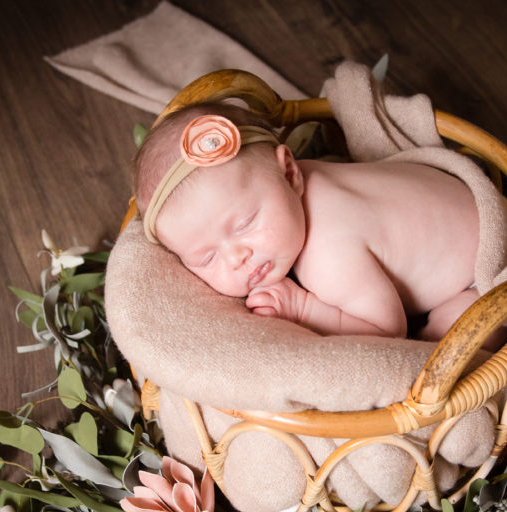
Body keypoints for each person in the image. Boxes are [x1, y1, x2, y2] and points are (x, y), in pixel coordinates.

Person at [133, 103, 481, 340]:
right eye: (206, 258)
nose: (237, 257)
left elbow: (389, 333)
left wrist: (304, 308)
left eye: (245, 224)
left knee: (452, 338)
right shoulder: (289, 184)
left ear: (289, 172)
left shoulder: (328, 254)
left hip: (476, 272)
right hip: (454, 197)